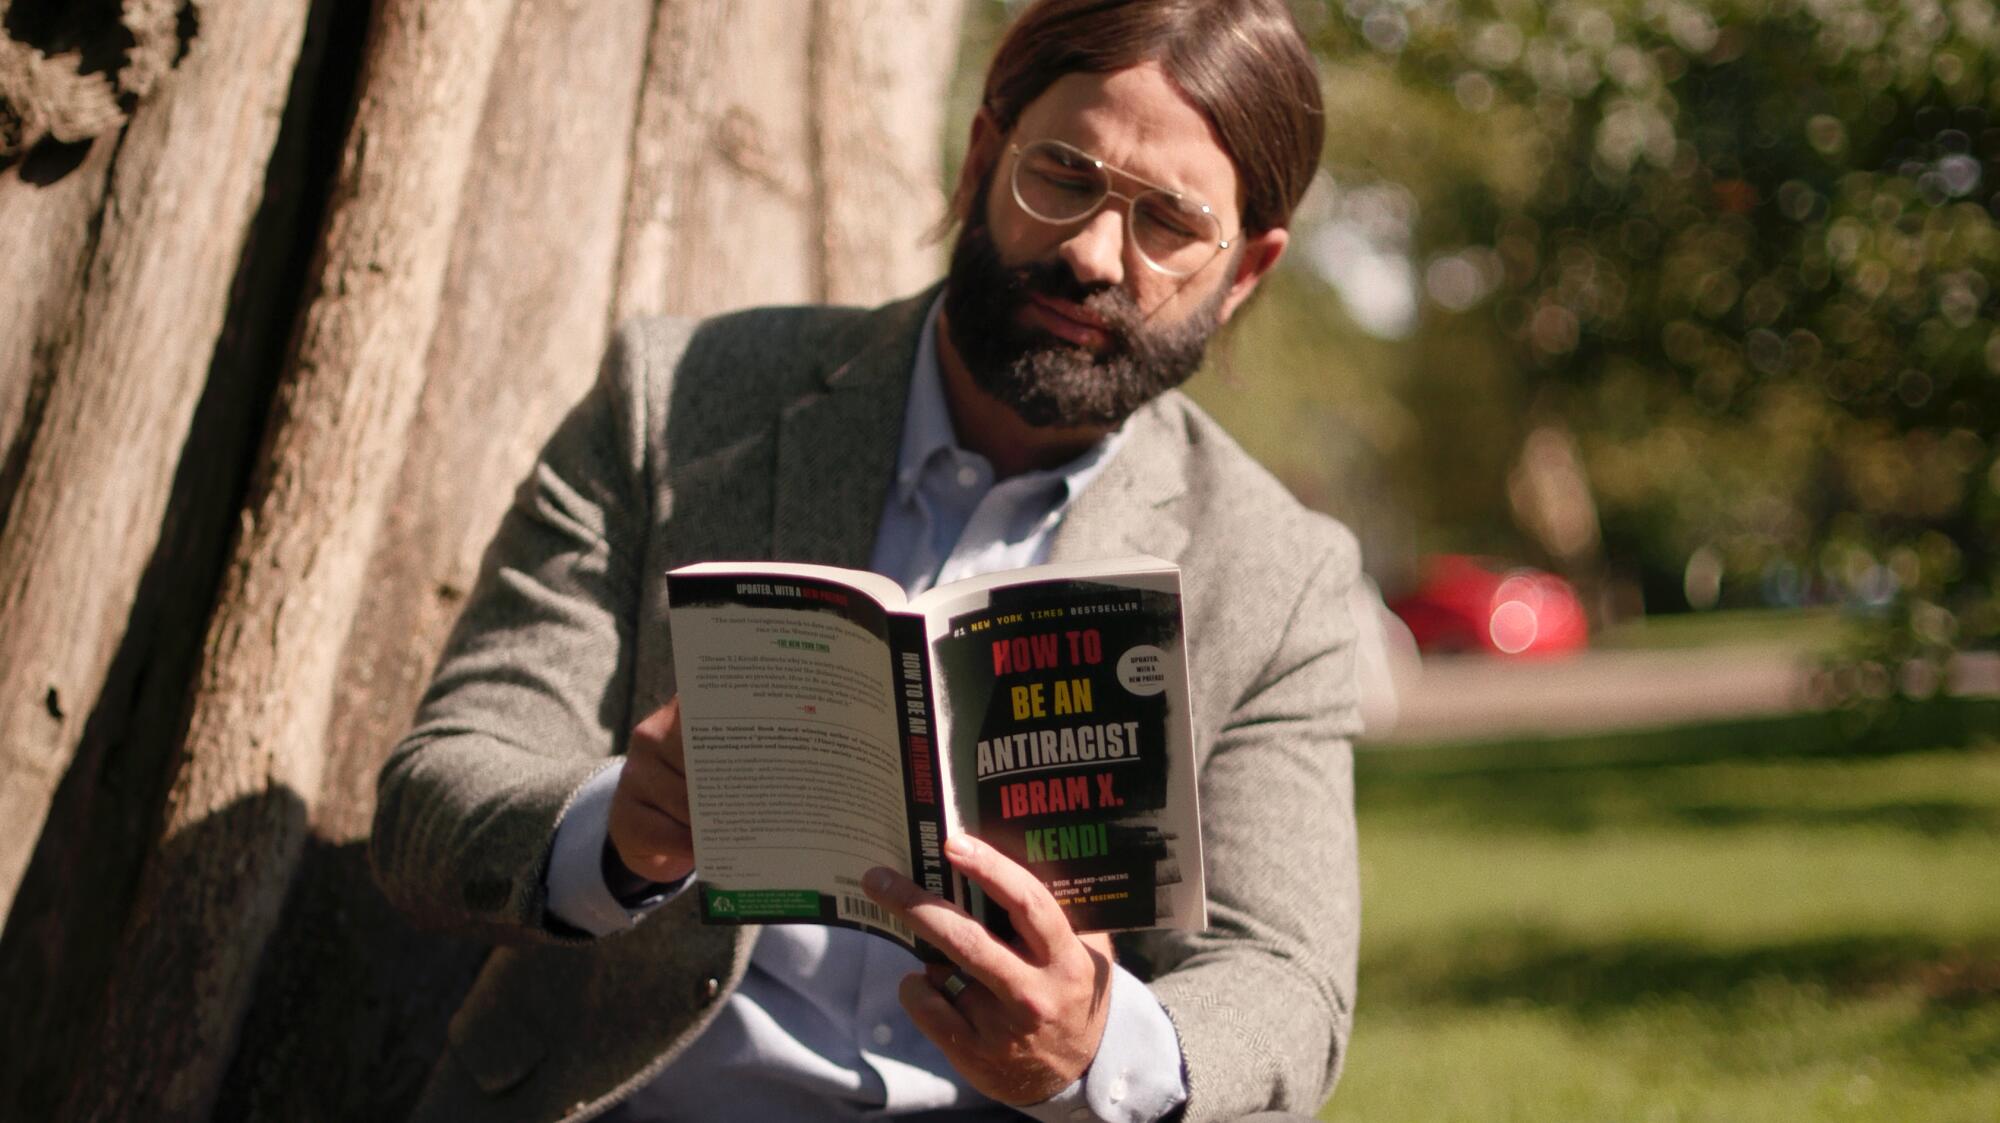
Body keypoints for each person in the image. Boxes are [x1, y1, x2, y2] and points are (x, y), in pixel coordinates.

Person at [372, 2, 1362, 1120]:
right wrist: (618, 827)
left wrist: (1097, 1043)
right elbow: (434, 796)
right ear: (982, 156)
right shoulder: (675, 401)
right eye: (1062, 176)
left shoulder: (1280, 576)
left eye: (1168, 225)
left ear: (1244, 272)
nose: (1089, 253)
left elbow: (1287, 981)